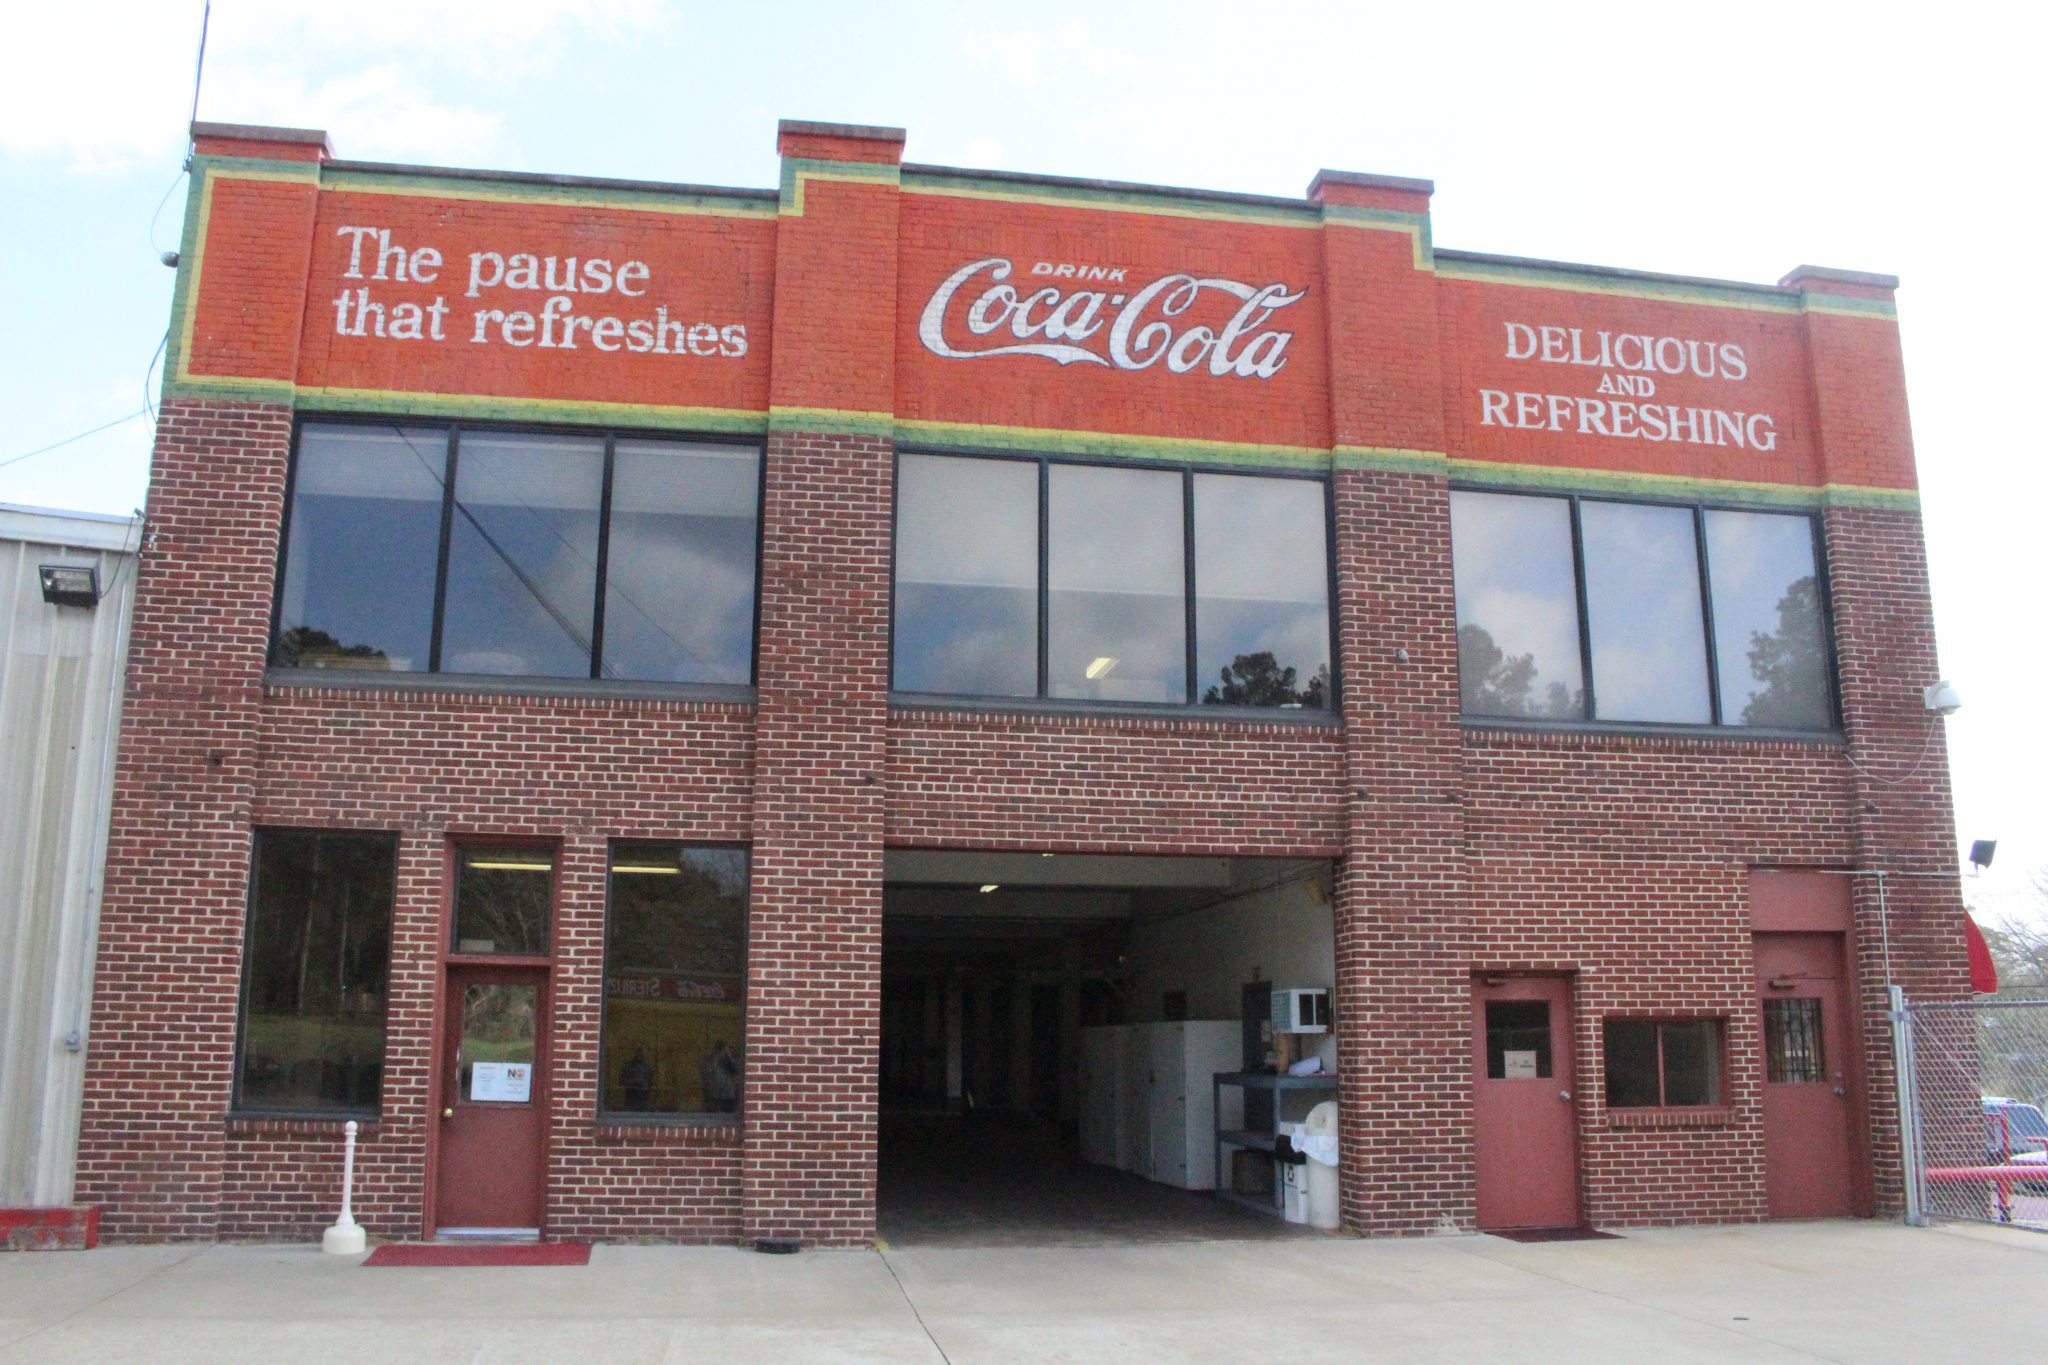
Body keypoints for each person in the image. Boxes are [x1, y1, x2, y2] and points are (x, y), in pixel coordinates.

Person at [700, 1039, 741, 1112]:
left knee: (728, 1113)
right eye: (723, 1050)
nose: (723, 1052)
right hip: (713, 1093)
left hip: (727, 1093)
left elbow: (738, 1070)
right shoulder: (709, 1059)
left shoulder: (728, 1061)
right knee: (713, 1113)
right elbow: (706, 1074)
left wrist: (730, 1057)